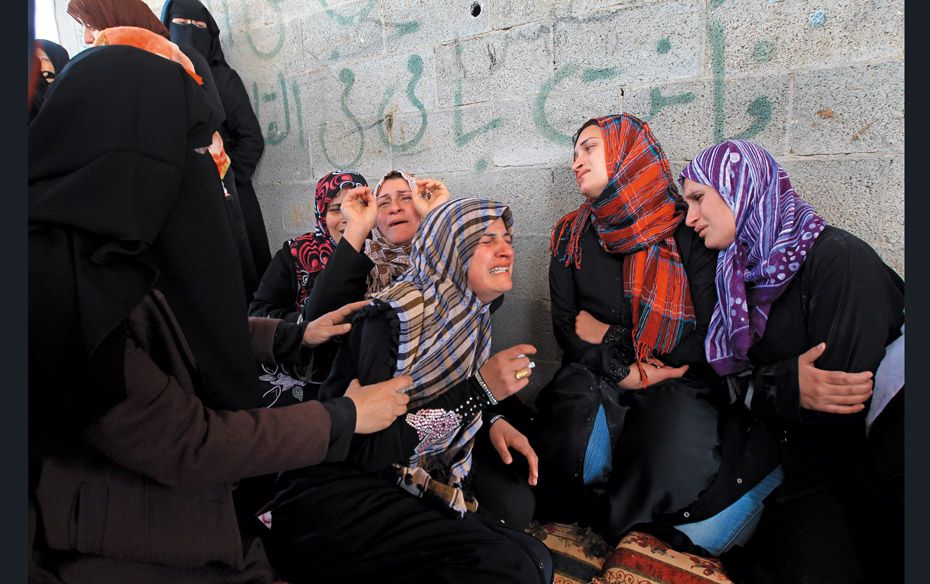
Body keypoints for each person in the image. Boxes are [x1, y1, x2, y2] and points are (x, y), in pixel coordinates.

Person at [28, 44, 411, 583]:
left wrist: (296, 335)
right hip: (114, 542)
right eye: (190, 146)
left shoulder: (118, 246)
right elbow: (188, 443)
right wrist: (345, 417)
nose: (212, 166)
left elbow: (186, 327)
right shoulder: (57, 288)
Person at [269, 198, 552, 583]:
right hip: (337, 488)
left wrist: (488, 416)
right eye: (486, 239)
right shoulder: (394, 319)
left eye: (507, 237)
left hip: (403, 474)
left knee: (534, 554)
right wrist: (479, 391)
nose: (506, 249)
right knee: (511, 567)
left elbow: (450, 394)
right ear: (452, 249)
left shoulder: (469, 318)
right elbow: (369, 449)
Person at [675, 139, 904, 583]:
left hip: (851, 466)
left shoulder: (839, 261)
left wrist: (772, 388)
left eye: (699, 198)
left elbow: (838, 409)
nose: (690, 218)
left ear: (742, 188)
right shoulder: (735, 272)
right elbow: (730, 382)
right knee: (689, 529)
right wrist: (782, 387)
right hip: (776, 441)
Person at [532, 113, 722, 544]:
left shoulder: (685, 227)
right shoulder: (569, 235)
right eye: (574, 152)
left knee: (669, 457)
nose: (576, 161)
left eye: (589, 148)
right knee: (573, 445)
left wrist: (619, 341)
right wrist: (622, 369)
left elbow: (710, 331)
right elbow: (567, 327)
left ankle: (623, 530)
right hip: (594, 371)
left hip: (676, 376)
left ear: (626, 152)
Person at [66, 0, 260, 303]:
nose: (87, 38)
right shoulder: (103, 71)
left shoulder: (186, 63)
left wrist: (232, 178)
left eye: (91, 26)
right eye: (83, 28)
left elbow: (217, 131)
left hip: (198, 205)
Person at [161, 0, 272, 279]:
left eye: (199, 26)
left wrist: (226, 176)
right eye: (180, 25)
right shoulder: (159, 78)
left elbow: (251, 138)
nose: (189, 33)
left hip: (230, 200)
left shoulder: (223, 79)